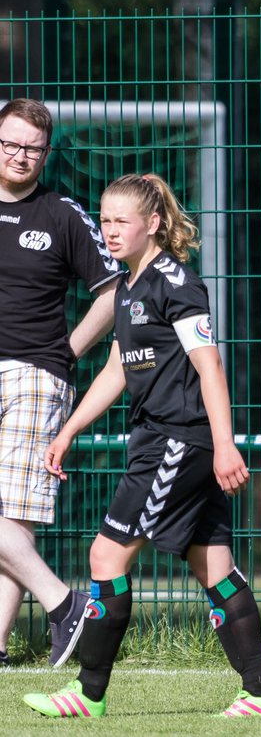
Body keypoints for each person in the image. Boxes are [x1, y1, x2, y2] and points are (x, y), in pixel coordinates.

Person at [24, 174, 261, 718]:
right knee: (212, 565)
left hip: (178, 441)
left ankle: (87, 694)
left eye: (121, 221)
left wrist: (224, 446)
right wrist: (69, 429)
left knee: (105, 554)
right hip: (165, 440)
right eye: (104, 220)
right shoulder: (128, 286)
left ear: (154, 223)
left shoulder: (175, 282)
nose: (109, 231)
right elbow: (119, 366)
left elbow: (208, 365)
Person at [0, 97, 120, 667]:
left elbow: (112, 294)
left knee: (14, 516)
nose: (20, 155)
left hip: (35, 374)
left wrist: (65, 350)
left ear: (46, 153)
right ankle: (66, 605)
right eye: (11, 143)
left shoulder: (64, 214)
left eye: (32, 147)